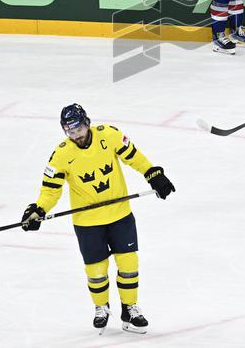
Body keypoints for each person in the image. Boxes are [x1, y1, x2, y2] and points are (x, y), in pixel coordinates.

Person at [21, 104, 175, 333]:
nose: (76, 135)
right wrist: (37, 210)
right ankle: (101, 307)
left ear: (87, 122)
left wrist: (153, 174)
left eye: (78, 129)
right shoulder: (61, 155)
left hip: (120, 214)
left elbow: (134, 157)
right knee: (96, 270)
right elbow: (50, 191)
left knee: (128, 263)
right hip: (87, 223)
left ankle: (130, 308)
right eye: (69, 132)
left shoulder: (110, 135)